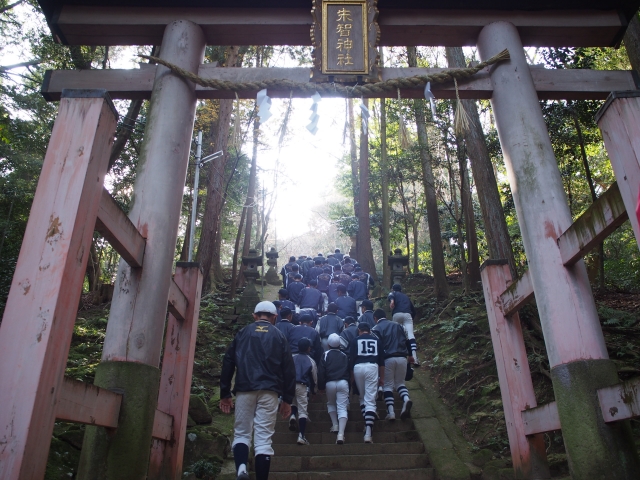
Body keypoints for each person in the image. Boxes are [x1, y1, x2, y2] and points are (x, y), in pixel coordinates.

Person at [220, 301, 296, 480]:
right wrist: (287, 399)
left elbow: (228, 361)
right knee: (263, 439)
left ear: (254, 316)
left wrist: (225, 393)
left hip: (245, 388)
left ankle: (241, 469)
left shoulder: (243, 333)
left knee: (242, 432)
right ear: (275, 317)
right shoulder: (279, 336)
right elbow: (289, 369)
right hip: (270, 391)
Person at [372, 309, 413, 421]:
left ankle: (391, 412)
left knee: (388, 386)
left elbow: (377, 346)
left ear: (375, 318)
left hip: (388, 358)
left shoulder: (375, 329)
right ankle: (406, 399)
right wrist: (410, 355)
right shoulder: (399, 326)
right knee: (400, 383)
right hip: (402, 357)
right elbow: (408, 340)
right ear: (385, 316)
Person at [349, 322, 384, 443]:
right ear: (369, 330)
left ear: (359, 330)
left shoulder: (355, 341)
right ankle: (368, 432)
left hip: (358, 367)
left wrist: (352, 377)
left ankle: (367, 422)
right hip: (372, 367)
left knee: (362, 397)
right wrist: (382, 378)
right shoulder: (377, 341)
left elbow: (351, 360)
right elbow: (382, 362)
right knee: (370, 399)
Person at [318, 333, 350, 444]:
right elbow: (348, 370)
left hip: (330, 382)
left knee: (331, 403)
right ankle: (341, 434)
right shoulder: (344, 355)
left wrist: (321, 387)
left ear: (328, 345)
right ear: (339, 345)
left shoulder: (325, 354)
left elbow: (321, 372)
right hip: (343, 382)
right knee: (342, 407)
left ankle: (335, 425)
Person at [290, 338, 318, 445]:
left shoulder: (292, 358)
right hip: (302, 385)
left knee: (293, 401)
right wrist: (314, 391)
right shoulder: (311, 361)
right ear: (308, 348)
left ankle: (293, 415)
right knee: (302, 410)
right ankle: (301, 436)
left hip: (291, 384)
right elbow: (314, 378)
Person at [387, 284, 419, 365]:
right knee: (410, 335)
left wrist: (392, 301)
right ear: (401, 290)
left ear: (393, 289)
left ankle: (397, 354)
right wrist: (411, 318)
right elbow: (413, 310)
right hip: (407, 315)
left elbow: (391, 295)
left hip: (397, 314)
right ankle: (414, 358)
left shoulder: (393, 293)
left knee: (396, 334)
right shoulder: (406, 297)